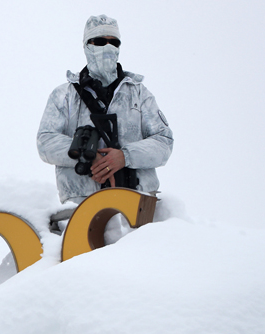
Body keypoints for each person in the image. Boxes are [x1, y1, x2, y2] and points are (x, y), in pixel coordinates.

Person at [37, 15, 173, 205]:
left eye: (114, 42)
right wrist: (86, 156)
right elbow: (45, 141)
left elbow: (164, 142)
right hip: (80, 208)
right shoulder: (64, 95)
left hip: (137, 206)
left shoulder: (140, 93)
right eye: (100, 41)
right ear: (86, 46)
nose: (108, 47)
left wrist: (125, 157)